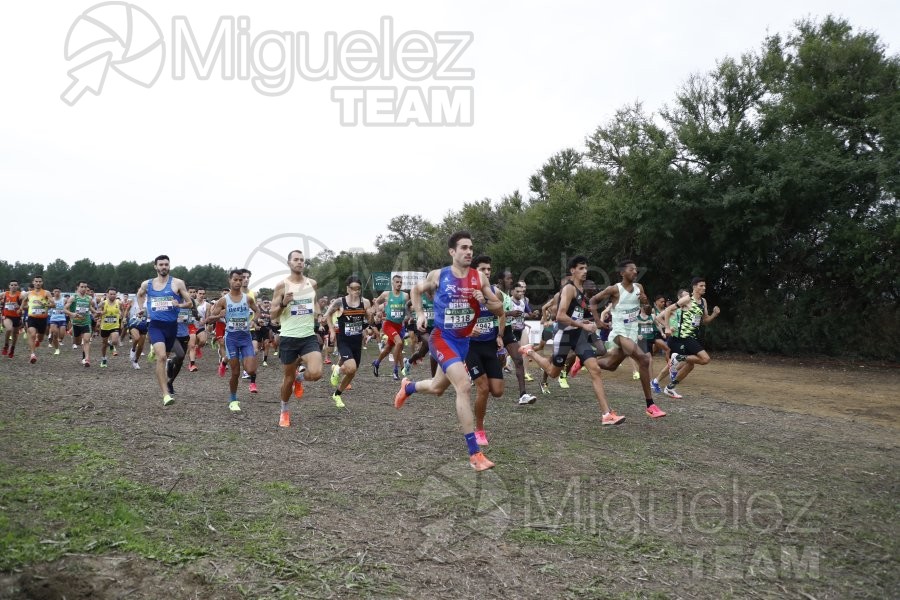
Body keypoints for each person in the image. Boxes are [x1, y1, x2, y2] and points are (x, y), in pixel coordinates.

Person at [393, 231, 502, 471]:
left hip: (463, 343)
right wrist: (420, 313)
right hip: (442, 338)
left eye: (471, 248)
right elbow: (415, 291)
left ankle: (408, 387)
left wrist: (484, 301)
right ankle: (475, 454)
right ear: (452, 252)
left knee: (436, 387)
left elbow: (499, 308)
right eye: (463, 248)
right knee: (463, 385)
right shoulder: (439, 275)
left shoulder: (479, 279)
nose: (469, 252)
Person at [519, 256, 626, 426]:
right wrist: (582, 326)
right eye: (581, 268)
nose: (585, 271)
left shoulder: (582, 290)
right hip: (564, 336)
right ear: (572, 271)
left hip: (578, 336)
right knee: (553, 373)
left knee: (595, 370)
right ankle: (530, 351)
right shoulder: (569, 289)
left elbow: (574, 314)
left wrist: (584, 323)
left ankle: (606, 414)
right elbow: (560, 316)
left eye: (586, 268)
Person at [589, 260, 667, 419]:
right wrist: (597, 320)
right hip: (618, 333)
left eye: (636, 270)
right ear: (622, 273)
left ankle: (586, 360)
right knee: (644, 360)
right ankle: (650, 405)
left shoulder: (639, 288)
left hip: (632, 333)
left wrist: (645, 301)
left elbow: (647, 308)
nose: (635, 272)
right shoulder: (614, 289)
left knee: (611, 365)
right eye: (631, 270)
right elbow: (592, 301)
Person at [270, 250, 322, 428]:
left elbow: (313, 303)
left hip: (308, 336)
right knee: (287, 380)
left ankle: (301, 378)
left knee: (316, 373)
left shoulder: (312, 283)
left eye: (302, 260)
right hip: (288, 337)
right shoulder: (281, 286)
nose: (299, 262)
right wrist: (284, 303)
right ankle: (284, 410)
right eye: (296, 260)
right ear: (289, 263)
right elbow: (272, 315)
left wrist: (319, 313)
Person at [134, 255, 193, 406]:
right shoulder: (148, 284)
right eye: (161, 265)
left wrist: (178, 305)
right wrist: (141, 309)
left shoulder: (177, 283)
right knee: (161, 357)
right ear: (155, 267)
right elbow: (139, 295)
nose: (164, 267)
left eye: (166, 264)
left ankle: (159, 356)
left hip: (171, 327)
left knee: (169, 355)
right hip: (155, 325)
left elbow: (189, 303)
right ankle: (166, 394)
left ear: (169, 266)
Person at [654, 278, 721, 398]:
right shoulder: (687, 299)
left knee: (690, 365)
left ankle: (670, 388)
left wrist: (714, 315)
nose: (704, 288)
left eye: (705, 286)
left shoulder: (703, 301)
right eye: (701, 286)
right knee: (705, 359)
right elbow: (669, 309)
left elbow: (705, 321)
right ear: (694, 287)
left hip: (694, 336)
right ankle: (677, 358)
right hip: (685, 337)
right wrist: (667, 327)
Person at [206, 270, 262, 412]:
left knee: (250, 370)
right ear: (230, 281)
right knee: (236, 372)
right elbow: (209, 319)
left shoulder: (248, 299)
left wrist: (254, 321)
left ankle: (231, 360)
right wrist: (220, 315)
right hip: (231, 339)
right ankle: (233, 399)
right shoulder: (224, 300)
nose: (238, 282)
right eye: (235, 279)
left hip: (245, 338)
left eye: (241, 279)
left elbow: (257, 311)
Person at [465, 256, 506, 446]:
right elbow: (452, 319)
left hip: (490, 345)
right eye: (483, 269)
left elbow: (501, 313)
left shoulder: (495, 292)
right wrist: (467, 329)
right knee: (483, 389)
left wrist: (500, 335)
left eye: (489, 269)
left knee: (497, 391)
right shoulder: (465, 293)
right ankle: (479, 430)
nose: (487, 272)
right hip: (472, 347)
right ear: (474, 272)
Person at [325, 275, 373, 407]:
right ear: (347, 289)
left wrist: (370, 317)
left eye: (358, 289)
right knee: (351, 368)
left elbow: (369, 321)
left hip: (357, 341)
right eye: (353, 288)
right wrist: (331, 330)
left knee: (352, 372)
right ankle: (338, 370)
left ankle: (337, 394)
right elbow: (328, 315)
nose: (356, 291)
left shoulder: (366, 302)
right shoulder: (340, 302)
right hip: (343, 340)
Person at [496, 270, 537, 405]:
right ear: (501, 280)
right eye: (508, 278)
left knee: (518, 360)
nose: (511, 281)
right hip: (494, 330)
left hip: (507, 330)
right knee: (496, 360)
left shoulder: (508, 294)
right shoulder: (494, 292)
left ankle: (523, 395)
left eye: (511, 278)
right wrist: (510, 313)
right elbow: (493, 312)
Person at [372, 275, 408, 380]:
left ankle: (377, 363)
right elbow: (377, 301)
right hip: (388, 324)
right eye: (397, 282)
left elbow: (408, 308)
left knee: (388, 349)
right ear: (392, 283)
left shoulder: (405, 296)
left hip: (399, 326)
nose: (399, 284)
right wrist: (378, 312)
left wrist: (408, 315)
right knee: (399, 343)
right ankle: (396, 370)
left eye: (401, 282)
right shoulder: (387, 294)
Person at [21, 276, 53, 364]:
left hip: (43, 319)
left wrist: (45, 305)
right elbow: (24, 301)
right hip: (32, 318)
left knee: (40, 338)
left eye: (40, 281)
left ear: (42, 283)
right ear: (33, 282)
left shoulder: (46, 293)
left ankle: (38, 341)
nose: (38, 283)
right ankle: (32, 354)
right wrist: (21, 308)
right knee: (32, 334)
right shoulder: (29, 293)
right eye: (36, 281)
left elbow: (53, 304)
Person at [65, 281, 96, 366]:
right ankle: (75, 340)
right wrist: (72, 314)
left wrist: (96, 312)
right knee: (78, 343)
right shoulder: (73, 298)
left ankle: (87, 359)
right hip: (76, 324)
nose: (84, 289)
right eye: (82, 287)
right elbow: (64, 309)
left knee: (86, 340)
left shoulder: (89, 298)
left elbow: (89, 307)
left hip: (86, 322)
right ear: (78, 287)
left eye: (85, 287)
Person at [96, 287, 125, 368]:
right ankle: (104, 359)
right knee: (104, 344)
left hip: (114, 325)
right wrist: (100, 314)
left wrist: (122, 317)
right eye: (111, 294)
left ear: (116, 295)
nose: (112, 295)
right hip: (104, 326)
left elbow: (123, 310)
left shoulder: (118, 302)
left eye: (114, 294)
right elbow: (96, 313)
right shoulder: (103, 303)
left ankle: (112, 345)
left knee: (115, 341)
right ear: (107, 294)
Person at [1, 280, 24, 359]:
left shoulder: (20, 295)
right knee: (8, 329)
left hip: (17, 317)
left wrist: (20, 307)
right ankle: (6, 346)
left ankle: (12, 349)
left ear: (17, 286)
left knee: (15, 334)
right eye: (12, 285)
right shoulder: (5, 294)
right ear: (9, 286)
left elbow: (26, 305)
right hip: (7, 316)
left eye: (15, 285)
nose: (13, 286)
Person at [48, 287, 68, 355]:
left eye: (58, 291)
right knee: (55, 334)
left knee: (62, 335)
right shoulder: (51, 300)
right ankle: (56, 349)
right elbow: (47, 306)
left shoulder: (64, 299)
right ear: (53, 292)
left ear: (60, 292)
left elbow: (68, 306)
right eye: (55, 291)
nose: (57, 293)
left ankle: (60, 340)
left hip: (62, 319)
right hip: (53, 319)